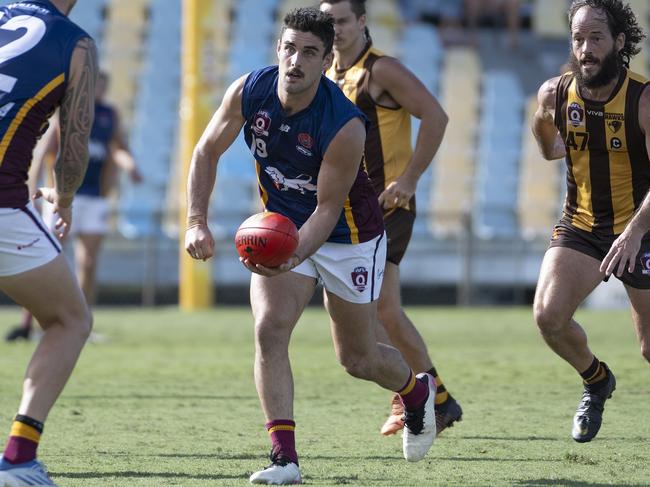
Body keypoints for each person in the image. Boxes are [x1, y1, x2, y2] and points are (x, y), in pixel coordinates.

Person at [185, 7, 437, 485]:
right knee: (269, 330)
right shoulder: (249, 91)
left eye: (309, 52)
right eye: (289, 48)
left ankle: (417, 393)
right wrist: (196, 221)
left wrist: (291, 256)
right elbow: (205, 151)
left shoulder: (345, 123)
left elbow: (326, 209)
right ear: (277, 48)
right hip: (282, 227)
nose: (295, 61)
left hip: (349, 236)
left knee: (358, 360)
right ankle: (285, 460)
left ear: (326, 61)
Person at [319, 0, 463, 437]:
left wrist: (411, 179)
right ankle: (423, 397)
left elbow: (435, 115)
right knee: (377, 312)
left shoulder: (381, 70)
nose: (336, 29)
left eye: (343, 21)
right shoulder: (328, 75)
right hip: (350, 211)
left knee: (383, 309)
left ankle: (431, 399)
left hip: (387, 205)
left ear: (362, 22)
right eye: (328, 23)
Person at [532, 0, 650, 443]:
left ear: (619, 43)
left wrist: (636, 232)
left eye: (596, 38)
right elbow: (544, 135)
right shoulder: (555, 93)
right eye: (578, 38)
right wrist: (555, 147)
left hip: (642, 228)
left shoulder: (643, 100)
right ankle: (597, 380)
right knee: (548, 316)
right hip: (581, 225)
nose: (585, 48)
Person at [0, 0, 97, 485]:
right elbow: (73, 144)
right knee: (69, 319)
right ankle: (18, 458)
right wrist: (65, 198)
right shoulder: (74, 43)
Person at [4, 71, 141, 342]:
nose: (97, 90)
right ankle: (28, 324)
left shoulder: (109, 116)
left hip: (95, 197)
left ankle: (81, 322)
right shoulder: (66, 112)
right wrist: (31, 186)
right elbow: (45, 149)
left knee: (87, 262)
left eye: (102, 85)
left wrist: (131, 166)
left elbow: (118, 148)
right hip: (61, 196)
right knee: (43, 258)